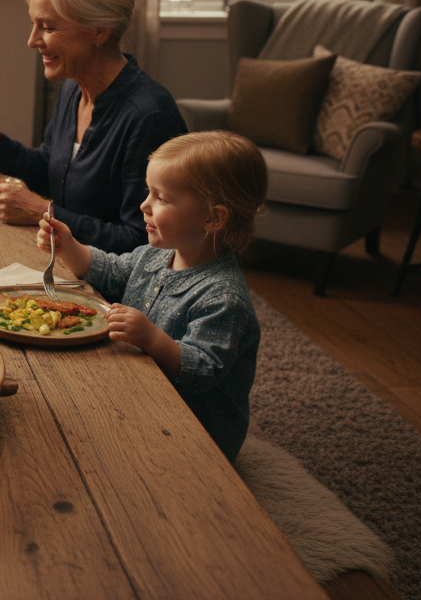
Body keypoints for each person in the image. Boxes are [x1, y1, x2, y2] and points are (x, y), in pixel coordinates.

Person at [36, 130, 268, 462]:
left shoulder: (224, 298)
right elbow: (111, 271)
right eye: (149, 192)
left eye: (161, 198)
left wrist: (151, 338)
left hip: (196, 438)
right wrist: (69, 247)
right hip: (139, 396)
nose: (144, 205)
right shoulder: (154, 255)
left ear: (213, 218)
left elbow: (203, 370)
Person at [0, 0, 187, 253]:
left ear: (99, 31)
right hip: (62, 261)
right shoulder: (72, 89)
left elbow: (144, 244)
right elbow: (49, 172)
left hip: (110, 282)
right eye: (34, 24)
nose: (32, 41)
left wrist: (45, 213)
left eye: (48, 27)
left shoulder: (149, 117)